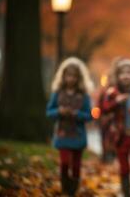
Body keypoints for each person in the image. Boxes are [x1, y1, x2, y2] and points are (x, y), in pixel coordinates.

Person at [46, 57, 94, 196]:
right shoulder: (57, 93)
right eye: (68, 75)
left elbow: (89, 115)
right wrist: (58, 111)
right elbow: (49, 112)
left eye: (74, 76)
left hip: (78, 136)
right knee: (65, 163)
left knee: (76, 166)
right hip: (62, 135)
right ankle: (65, 186)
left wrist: (77, 114)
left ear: (79, 78)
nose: (71, 79)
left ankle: (73, 190)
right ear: (63, 76)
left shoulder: (83, 95)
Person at [101, 58, 130, 197]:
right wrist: (116, 101)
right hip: (121, 137)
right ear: (117, 76)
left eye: (129, 72)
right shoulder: (112, 93)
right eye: (122, 73)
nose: (126, 75)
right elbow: (104, 109)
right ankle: (127, 192)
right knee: (124, 168)